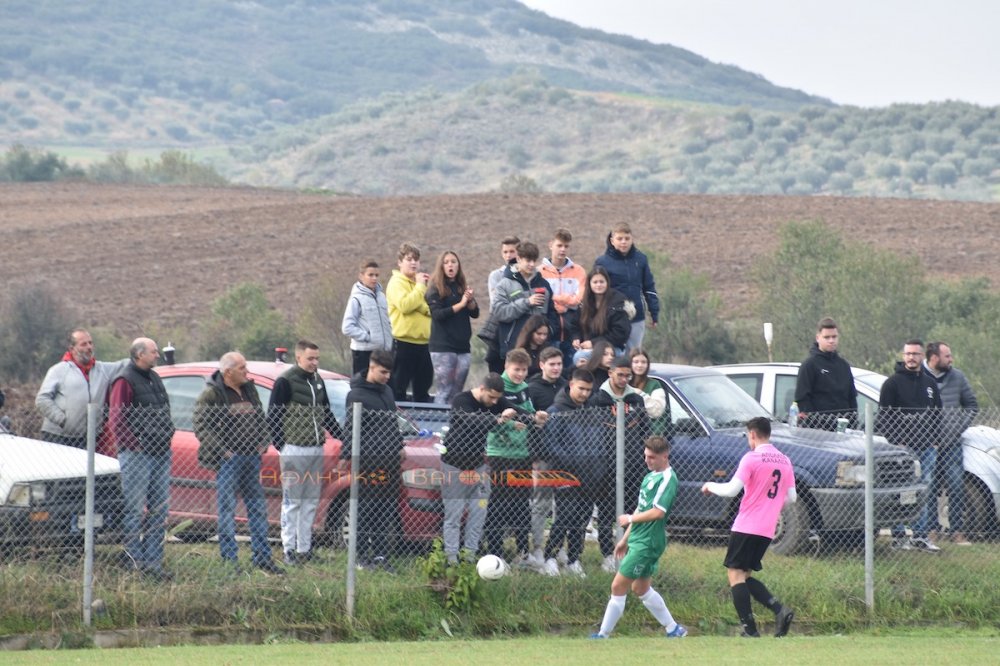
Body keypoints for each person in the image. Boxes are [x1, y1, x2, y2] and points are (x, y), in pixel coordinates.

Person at [701, 417, 796, 638]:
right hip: (767, 529)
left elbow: (732, 490)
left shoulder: (751, 458)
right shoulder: (785, 460)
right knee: (743, 575)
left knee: (735, 575)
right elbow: (792, 496)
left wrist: (710, 485)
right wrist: (770, 506)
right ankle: (778, 612)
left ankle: (753, 628)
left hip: (747, 525)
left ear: (752, 434)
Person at [193, 351, 284, 574]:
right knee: (227, 511)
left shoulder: (249, 389)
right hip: (229, 462)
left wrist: (263, 443)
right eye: (242, 368)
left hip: (252, 459)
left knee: (258, 509)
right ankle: (230, 561)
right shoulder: (212, 395)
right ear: (228, 372)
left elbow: (260, 418)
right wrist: (223, 452)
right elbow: (201, 425)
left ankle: (262, 557)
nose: (247, 372)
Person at [591, 435, 686, 639]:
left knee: (618, 585)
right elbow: (642, 508)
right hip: (638, 539)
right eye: (645, 456)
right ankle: (673, 629)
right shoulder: (649, 476)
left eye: (652, 457)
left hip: (648, 542)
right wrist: (625, 539)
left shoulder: (668, 479)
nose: (647, 461)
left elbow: (658, 512)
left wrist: (630, 518)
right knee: (640, 588)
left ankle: (602, 635)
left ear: (665, 456)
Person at [105, 337, 175, 581]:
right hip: (137, 455)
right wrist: (137, 444)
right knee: (134, 510)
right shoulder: (124, 380)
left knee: (159, 510)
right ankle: (134, 561)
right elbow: (117, 421)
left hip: (160, 452)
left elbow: (164, 410)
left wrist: (168, 434)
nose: (157, 355)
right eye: (154, 352)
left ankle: (153, 563)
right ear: (139, 355)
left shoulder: (154, 378)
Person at [268, 339, 343, 566]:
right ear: (298, 357)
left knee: (310, 500)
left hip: (315, 448)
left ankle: (305, 548)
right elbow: (273, 415)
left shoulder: (318, 381)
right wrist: (282, 445)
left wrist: (341, 435)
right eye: (310, 358)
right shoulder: (285, 381)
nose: (314, 362)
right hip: (294, 449)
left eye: (317, 358)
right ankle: (288, 548)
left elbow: (326, 413)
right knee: (292, 501)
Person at [440, 373, 521, 564]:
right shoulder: (462, 400)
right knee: (454, 515)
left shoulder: (495, 402)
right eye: (491, 397)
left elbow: (515, 409)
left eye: (497, 398)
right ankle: (451, 559)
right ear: (482, 389)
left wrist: (534, 416)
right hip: (454, 466)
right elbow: (470, 422)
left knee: (478, 513)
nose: (494, 402)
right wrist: (499, 419)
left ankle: (469, 557)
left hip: (478, 467)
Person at [482, 348, 549, 564]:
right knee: (498, 504)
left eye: (523, 370)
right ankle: (495, 552)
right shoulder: (497, 388)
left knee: (521, 504)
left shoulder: (524, 388)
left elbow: (527, 414)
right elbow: (492, 422)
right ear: (506, 367)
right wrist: (510, 424)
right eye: (516, 369)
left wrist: (536, 418)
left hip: (522, 453)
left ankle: (522, 552)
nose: (519, 374)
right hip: (500, 453)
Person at [876, 339, 942, 552]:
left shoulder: (930, 384)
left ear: (922, 356)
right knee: (901, 492)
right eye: (908, 354)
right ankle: (899, 536)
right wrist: (897, 441)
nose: (911, 357)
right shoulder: (892, 384)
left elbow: (937, 414)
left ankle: (920, 536)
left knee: (924, 491)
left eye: (915, 354)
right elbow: (884, 417)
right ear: (903, 356)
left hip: (926, 449)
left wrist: (935, 440)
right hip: (902, 451)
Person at [343, 349, 403, 571]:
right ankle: (359, 557)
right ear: (371, 367)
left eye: (389, 372)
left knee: (385, 510)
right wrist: (346, 454)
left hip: (390, 461)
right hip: (368, 461)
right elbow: (350, 428)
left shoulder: (387, 391)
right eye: (383, 372)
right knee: (365, 509)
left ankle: (380, 556)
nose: (387, 376)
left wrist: (399, 444)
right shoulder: (356, 395)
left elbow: (392, 421)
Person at [539, 368, 601, 577]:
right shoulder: (556, 411)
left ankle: (574, 559)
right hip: (565, 474)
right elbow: (550, 446)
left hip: (590, 475)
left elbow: (598, 442)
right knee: (565, 516)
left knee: (582, 520)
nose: (584, 394)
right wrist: (574, 464)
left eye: (588, 390)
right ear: (571, 385)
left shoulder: (590, 411)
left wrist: (596, 468)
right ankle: (550, 558)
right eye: (581, 388)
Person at [593, 354, 651, 572]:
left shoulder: (636, 399)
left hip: (633, 465)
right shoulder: (598, 399)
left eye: (628, 375)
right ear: (610, 373)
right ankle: (608, 553)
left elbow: (645, 430)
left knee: (631, 513)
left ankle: (627, 551)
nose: (625, 379)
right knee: (607, 512)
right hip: (606, 465)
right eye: (620, 375)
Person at [924, 341, 978, 546]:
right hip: (928, 445)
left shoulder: (958, 377)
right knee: (929, 487)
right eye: (947, 356)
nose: (951, 359)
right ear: (935, 358)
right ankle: (931, 530)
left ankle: (956, 532)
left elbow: (971, 405)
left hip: (952, 444)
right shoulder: (921, 377)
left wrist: (959, 426)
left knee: (956, 486)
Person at [36, 328, 127, 449]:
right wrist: (62, 420)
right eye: (83, 344)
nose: (89, 347)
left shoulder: (103, 369)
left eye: (90, 343)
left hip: (88, 438)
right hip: (58, 437)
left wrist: (141, 352)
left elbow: (124, 365)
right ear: (72, 348)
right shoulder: (59, 370)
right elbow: (42, 399)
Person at [526, 346, 567, 566]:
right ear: (542, 364)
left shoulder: (566, 387)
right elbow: (530, 426)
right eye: (551, 364)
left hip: (566, 457)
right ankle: (539, 547)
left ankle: (558, 547)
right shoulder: (532, 389)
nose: (556, 368)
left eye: (559, 364)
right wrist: (533, 456)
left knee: (563, 505)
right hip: (542, 458)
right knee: (540, 504)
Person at [594, 223, 659, 352]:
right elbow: (595, 289)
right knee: (612, 354)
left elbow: (649, 287)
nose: (623, 242)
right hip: (612, 317)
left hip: (636, 316)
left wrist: (654, 312)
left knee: (633, 354)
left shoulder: (641, 259)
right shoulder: (602, 262)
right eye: (620, 239)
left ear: (632, 239)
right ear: (612, 240)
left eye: (627, 238)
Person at [426, 250, 479, 404]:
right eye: (447, 262)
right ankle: (439, 423)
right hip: (443, 347)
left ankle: (454, 425)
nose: (450, 265)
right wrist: (461, 304)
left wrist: (469, 301)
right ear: (441, 266)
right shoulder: (435, 289)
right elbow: (438, 315)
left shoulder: (461, 286)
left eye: (454, 262)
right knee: (445, 389)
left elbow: (475, 313)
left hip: (463, 347)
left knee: (457, 391)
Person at [492, 241, 559, 360]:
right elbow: (499, 312)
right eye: (528, 260)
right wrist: (527, 302)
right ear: (518, 259)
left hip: (540, 350)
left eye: (534, 260)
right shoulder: (504, 284)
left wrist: (549, 332)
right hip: (513, 347)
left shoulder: (544, 284)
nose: (532, 265)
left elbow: (552, 313)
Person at [386, 242, 433, 402]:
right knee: (398, 388)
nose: (413, 263)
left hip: (423, 343)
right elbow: (405, 306)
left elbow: (430, 307)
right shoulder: (396, 283)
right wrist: (420, 287)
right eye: (409, 259)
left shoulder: (419, 284)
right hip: (403, 342)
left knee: (423, 387)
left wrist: (419, 300)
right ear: (400, 262)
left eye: (416, 259)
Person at [793, 317, 858, 430]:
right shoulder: (809, 365)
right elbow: (802, 399)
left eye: (834, 337)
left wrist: (852, 424)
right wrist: (815, 423)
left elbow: (851, 397)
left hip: (843, 429)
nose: (831, 340)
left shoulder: (844, 365)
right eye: (827, 337)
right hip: (818, 431)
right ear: (818, 338)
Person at [539, 228, 586, 367]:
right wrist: (566, 300)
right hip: (549, 328)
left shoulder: (579, 271)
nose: (563, 249)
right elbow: (542, 300)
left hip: (572, 329)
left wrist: (554, 298)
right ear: (551, 245)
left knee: (572, 371)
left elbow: (577, 299)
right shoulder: (539, 272)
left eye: (566, 246)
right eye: (559, 245)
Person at [569, 266, 631, 366]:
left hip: (613, 348)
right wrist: (576, 338)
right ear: (589, 284)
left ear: (607, 283)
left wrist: (593, 343)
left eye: (601, 282)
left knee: (580, 357)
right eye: (595, 282)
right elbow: (575, 325)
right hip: (588, 347)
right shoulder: (585, 302)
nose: (598, 285)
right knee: (576, 358)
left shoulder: (618, 301)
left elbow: (620, 333)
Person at [341, 259, 393, 377]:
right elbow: (347, 327)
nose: (374, 278)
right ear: (361, 276)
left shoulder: (381, 296)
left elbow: (387, 320)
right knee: (363, 387)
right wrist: (367, 337)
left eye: (376, 275)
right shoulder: (356, 299)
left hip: (383, 352)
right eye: (370, 275)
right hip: (364, 353)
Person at [482, 236, 520, 374]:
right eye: (505, 252)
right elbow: (497, 305)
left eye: (512, 251)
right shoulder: (496, 275)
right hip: (500, 330)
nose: (509, 255)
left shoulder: (526, 274)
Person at [629, 348, 667, 434]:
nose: (640, 365)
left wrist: (640, 393)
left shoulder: (654, 384)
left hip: (648, 434)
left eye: (643, 362)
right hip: (628, 435)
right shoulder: (624, 384)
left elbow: (656, 411)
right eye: (636, 362)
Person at [514, 313, 552, 378]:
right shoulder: (521, 351)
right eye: (539, 334)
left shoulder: (548, 348)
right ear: (530, 332)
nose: (542, 337)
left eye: (545, 334)